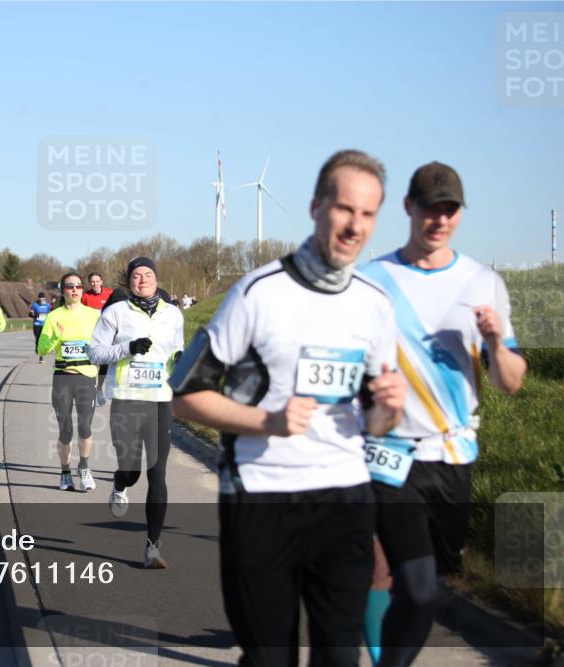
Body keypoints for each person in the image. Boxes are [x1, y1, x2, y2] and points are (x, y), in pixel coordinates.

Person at [171, 149, 406, 666]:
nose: (355, 226)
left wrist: (390, 409)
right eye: (345, 209)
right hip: (263, 496)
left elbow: (376, 420)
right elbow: (184, 395)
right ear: (316, 206)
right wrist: (268, 422)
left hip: (344, 496)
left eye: (368, 214)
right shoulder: (257, 294)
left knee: (339, 655)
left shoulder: (375, 304)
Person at [360, 162, 527, 667]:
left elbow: (511, 381)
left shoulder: (482, 282)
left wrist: (497, 342)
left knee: (430, 584)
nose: (439, 219)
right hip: (387, 450)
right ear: (409, 207)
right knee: (405, 577)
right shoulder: (372, 280)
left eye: (449, 210)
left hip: (452, 453)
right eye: (430, 208)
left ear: (459, 214)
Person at [89, 257, 184, 569]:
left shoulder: (173, 314)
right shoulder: (115, 312)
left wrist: (181, 361)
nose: (143, 279)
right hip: (127, 400)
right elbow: (95, 352)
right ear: (129, 282)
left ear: (157, 279)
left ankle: (152, 548)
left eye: (148, 274)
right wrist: (128, 348)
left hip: (159, 400)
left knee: (157, 474)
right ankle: (119, 484)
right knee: (132, 471)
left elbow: (175, 351)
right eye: (136, 276)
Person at [37, 273, 102, 491]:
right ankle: (65, 472)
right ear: (62, 290)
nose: (74, 289)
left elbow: (105, 345)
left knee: (85, 427)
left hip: (86, 377)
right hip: (63, 378)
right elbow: (41, 349)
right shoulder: (54, 316)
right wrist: (56, 337)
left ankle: (83, 467)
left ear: (82, 290)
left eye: (78, 286)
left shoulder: (94, 315)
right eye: (69, 286)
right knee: (65, 430)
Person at [29, 292, 53, 364]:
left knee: (42, 340)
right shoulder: (35, 305)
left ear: (45, 298)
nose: (41, 300)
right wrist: (34, 315)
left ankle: (41, 356)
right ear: (38, 298)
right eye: (40, 298)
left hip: (44, 325)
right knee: (37, 338)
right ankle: (37, 347)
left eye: (43, 298)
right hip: (36, 324)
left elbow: (50, 314)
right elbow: (30, 314)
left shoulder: (48, 306)